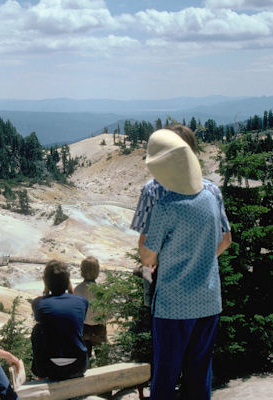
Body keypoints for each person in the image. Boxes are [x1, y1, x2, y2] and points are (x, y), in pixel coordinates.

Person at [139, 128, 232, 400]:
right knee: (200, 373)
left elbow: (147, 256)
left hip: (172, 302)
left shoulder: (164, 202)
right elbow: (225, 240)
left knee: (166, 374)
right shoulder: (211, 194)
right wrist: (198, 258)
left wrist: (171, 259)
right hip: (208, 298)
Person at [131, 124, 232, 306]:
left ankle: (148, 307)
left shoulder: (152, 190)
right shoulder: (212, 190)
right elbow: (225, 239)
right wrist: (198, 263)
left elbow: (144, 245)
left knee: (159, 323)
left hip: (163, 284)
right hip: (204, 288)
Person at [31, 260, 88, 380]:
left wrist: (46, 289)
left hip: (50, 369)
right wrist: (70, 289)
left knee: (37, 330)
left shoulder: (38, 303)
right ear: (68, 282)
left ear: (45, 281)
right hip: (78, 366)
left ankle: (40, 375)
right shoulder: (82, 302)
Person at [73, 256, 107, 359]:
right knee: (102, 359)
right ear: (97, 271)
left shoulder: (77, 290)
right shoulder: (101, 290)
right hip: (99, 328)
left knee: (85, 359)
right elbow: (108, 311)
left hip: (84, 328)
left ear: (82, 271)